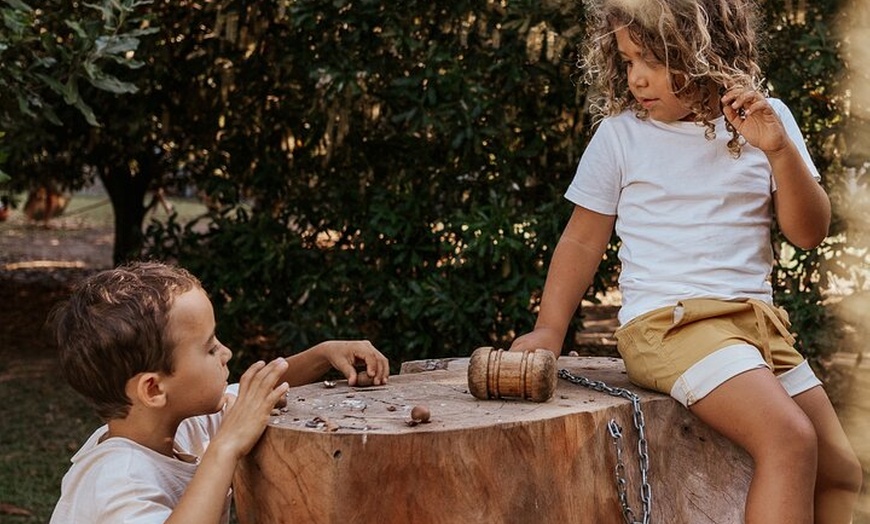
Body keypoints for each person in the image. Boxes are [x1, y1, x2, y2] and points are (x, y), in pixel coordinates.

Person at [510, 0, 862, 522]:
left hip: (754, 328)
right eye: (627, 62)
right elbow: (582, 242)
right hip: (669, 325)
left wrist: (779, 151)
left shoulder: (769, 122)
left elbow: (808, 233)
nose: (636, 79)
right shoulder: (621, 136)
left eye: (650, 60)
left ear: (702, 53)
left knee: (840, 472)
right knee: (787, 440)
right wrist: (547, 331)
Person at [48, 261, 389, 524]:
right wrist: (224, 448)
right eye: (210, 348)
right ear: (153, 389)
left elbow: (259, 392)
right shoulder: (118, 478)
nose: (226, 353)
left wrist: (322, 354)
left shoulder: (180, 426)